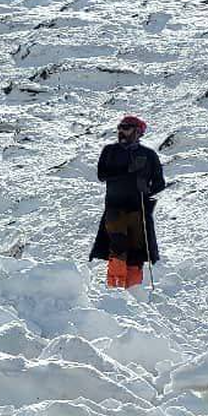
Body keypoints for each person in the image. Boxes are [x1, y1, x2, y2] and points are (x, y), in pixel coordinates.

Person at [90, 114, 165, 288]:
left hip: (139, 209)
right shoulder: (109, 151)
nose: (121, 131)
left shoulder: (149, 155)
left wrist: (146, 190)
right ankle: (114, 289)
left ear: (138, 132)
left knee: (136, 254)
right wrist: (129, 171)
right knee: (118, 249)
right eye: (120, 128)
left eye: (126, 128)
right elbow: (102, 175)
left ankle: (132, 292)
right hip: (115, 209)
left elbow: (160, 183)